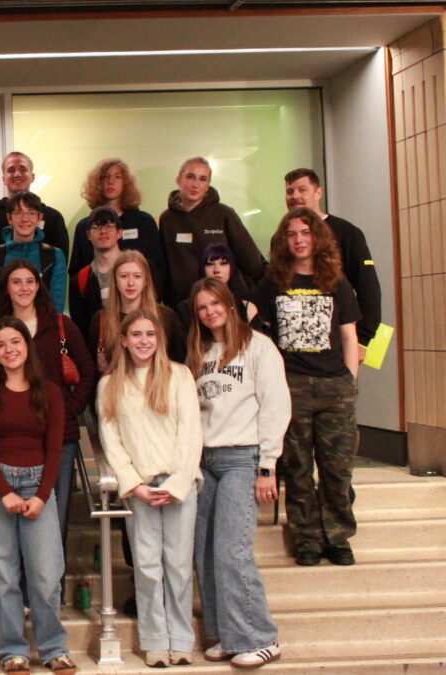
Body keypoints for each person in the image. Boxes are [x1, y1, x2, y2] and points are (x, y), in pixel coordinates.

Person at [187, 277, 288, 669]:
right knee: (205, 551)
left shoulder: (258, 347)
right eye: (202, 307)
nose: (210, 312)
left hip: (243, 458)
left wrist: (268, 466)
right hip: (206, 461)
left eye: (215, 303)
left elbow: (275, 406)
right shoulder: (199, 351)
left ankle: (260, 638)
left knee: (232, 549)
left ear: (230, 305)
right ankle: (226, 635)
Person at [252, 207, 361, 567]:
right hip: (291, 387)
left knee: (337, 469)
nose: (299, 240)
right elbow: (247, 320)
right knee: (297, 468)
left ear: (317, 237)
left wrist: (350, 383)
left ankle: (337, 537)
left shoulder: (336, 281)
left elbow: (349, 336)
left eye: (305, 233)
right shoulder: (272, 282)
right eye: (292, 234)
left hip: (334, 388)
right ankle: (307, 538)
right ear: (284, 241)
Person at [97, 310, 202, 668]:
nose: (144, 341)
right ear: (124, 341)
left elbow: (191, 432)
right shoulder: (110, 385)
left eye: (150, 334)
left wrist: (178, 483)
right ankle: (155, 641)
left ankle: (181, 640)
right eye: (137, 335)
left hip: (178, 484)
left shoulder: (179, 375)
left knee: (178, 565)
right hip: (140, 488)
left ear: (160, 339)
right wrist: (134, 485)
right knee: (146, 566)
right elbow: (111, 442)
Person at [0, 317, 76, 675]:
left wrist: (43, 496)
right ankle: (13, 651)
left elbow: (55, 449)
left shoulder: (50, 392)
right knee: (3, 575)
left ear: (26, 345)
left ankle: (54, 648)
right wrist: (4, 492)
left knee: (46, 575)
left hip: (37, 485)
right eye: (1, 345)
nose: (9, 350)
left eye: (14, 342)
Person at [0, 259, 97, 583]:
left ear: (39, 286)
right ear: (6, 288)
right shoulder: (1, 330)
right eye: (16, 281)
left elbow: (88, 373)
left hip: (60, 438)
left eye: (30, 281)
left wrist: (68, 411)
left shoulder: (60, 325)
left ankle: (53, 590)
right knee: (18, 519)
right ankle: (25, 592)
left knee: (55, 516)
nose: (24, 288)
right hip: (16, 441)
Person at [284, 168, 381, 364]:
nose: (295, 196)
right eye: (290, 191)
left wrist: (363, 340)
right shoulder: (281, 237)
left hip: (338, 341)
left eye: (302, 190)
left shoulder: (347, 233)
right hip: (295, 347)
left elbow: (368, 288)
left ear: (318, 193)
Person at [158, 157, 266, 303]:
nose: (195, 184)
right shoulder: (167, 219)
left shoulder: (224, 214)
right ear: (178, 180)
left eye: (202, 179)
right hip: (183, 304)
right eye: (190, 177)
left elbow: (252, 262)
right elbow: (165, 268)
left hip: (224, 302)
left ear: (208, 185)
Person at [69, 158, 166, 288]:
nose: (110, 181)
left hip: (138, 295)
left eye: (117, 176)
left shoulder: (144, 222)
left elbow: (157, 268)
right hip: (96, 296)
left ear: (126, 183)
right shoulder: (84, 226)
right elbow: (76, 273)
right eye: (105, 176)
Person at [88, 250, 186, 372]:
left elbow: (178, 363)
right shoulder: (101, 320)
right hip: (115, 383)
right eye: (124, 276)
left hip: (158, 383)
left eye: (137, 276)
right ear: (115, 280)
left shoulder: (166, 316)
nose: (130, 283)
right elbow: (92, 369)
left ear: (145, 281)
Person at [0, 191, 66, 325]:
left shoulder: (54, 255)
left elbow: (56, 304)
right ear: (9, 218)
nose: (25, 219)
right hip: (4, 331)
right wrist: (3, 332)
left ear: (39, 218)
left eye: (31, 213)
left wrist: (43, 332)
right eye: (18, 213)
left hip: (45, 331)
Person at [0, 152, 69, 258]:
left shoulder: (53, 218)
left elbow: (60, 261)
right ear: (3, 179)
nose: (17, 174)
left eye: (23, 169)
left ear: (32, 177)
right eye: (11, 170)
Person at [69, 206, 128, 345]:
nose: (103, 231)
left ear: (120, 233)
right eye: (96, 227)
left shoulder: (139, 271)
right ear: (88, 235)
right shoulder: (80, 280)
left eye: (109, 226)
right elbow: (81, 329)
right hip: (98, 352)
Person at [174, 243, 257, 330]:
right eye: (210, 264)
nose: (217, 270)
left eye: (223, 263)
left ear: (232, 268)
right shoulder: (186, 309)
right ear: (202, 268)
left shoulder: (245, 307)